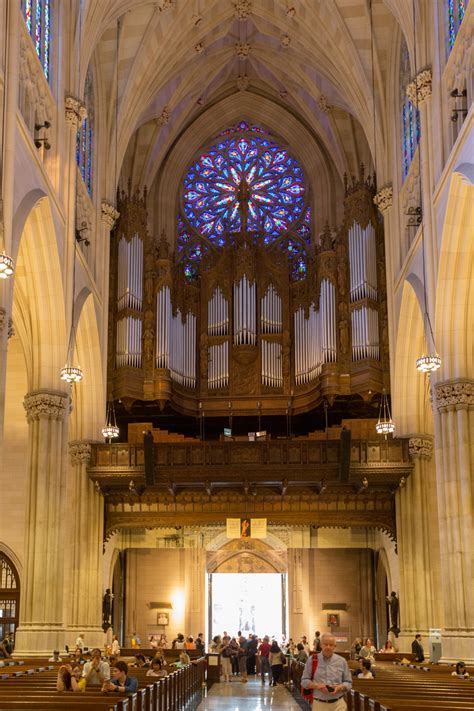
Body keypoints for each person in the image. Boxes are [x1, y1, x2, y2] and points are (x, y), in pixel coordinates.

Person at [301, 632, 352, 710]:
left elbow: (348, 682)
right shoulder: (312, 660)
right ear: (321, 645)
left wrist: (340, 687)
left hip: (338, 704)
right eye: (325, 644)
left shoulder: (342, 661)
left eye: (331, 645)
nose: (328, 647)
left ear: (335, 646)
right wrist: (317, 686)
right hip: (319, 704)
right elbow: (304, 681)